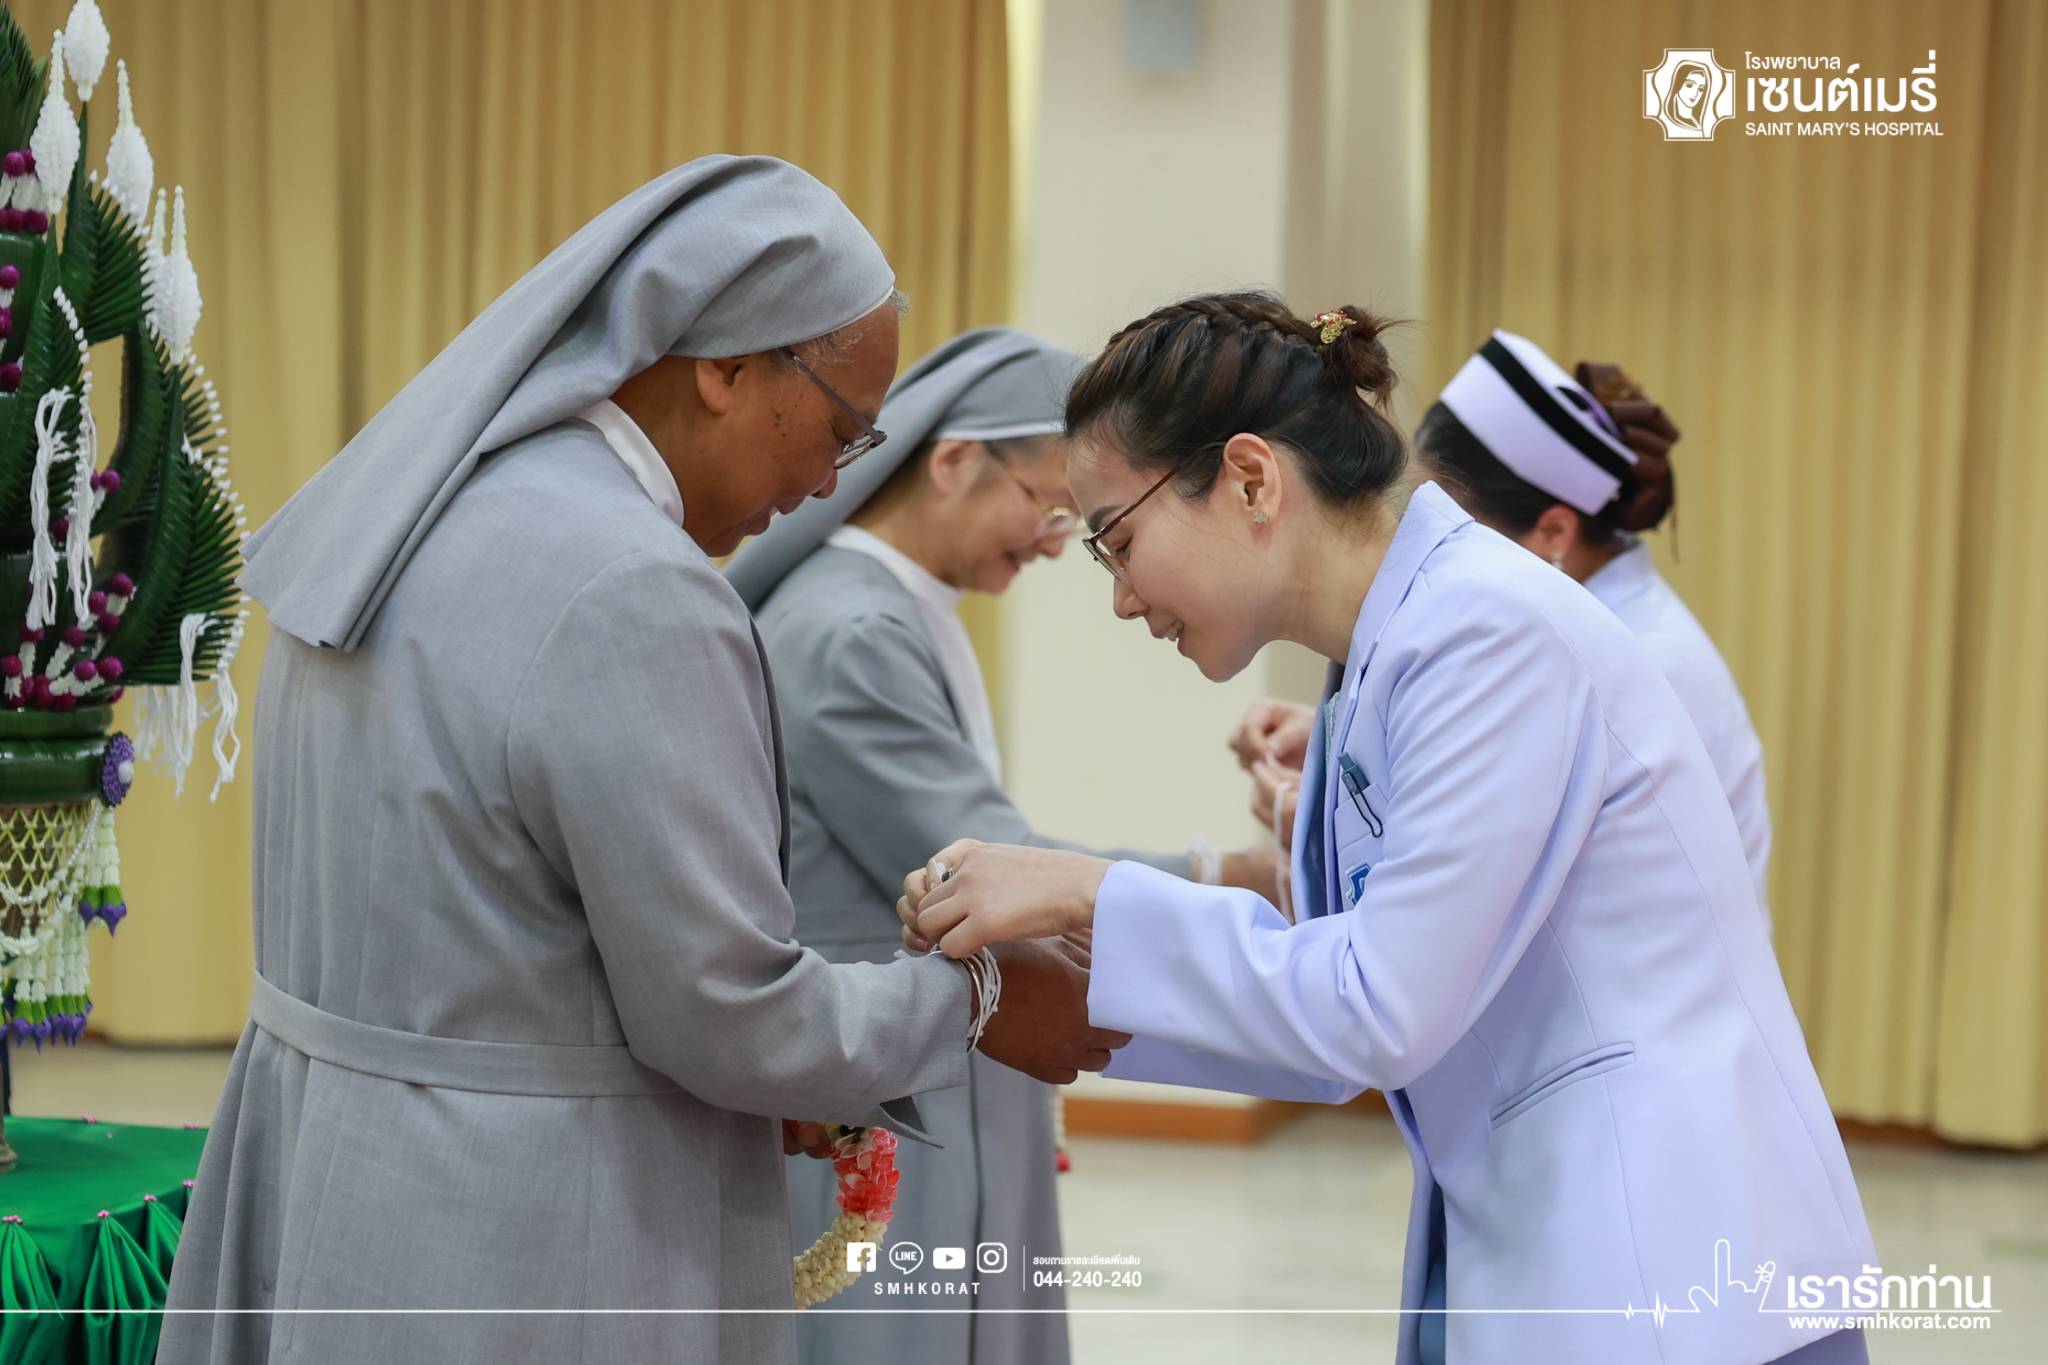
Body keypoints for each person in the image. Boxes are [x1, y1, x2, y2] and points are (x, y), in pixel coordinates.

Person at [160, 157, 1124, 1365]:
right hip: (528, 1230)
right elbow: (729, 1015)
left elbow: (495, 938)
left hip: (343, 1167)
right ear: (727, 367)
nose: (827, 483)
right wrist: (975, 1000)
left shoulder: (404, 514)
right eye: (838, 429)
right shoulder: (633, 588)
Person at [899, 293, 1875, 1365]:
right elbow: (1342, 1015)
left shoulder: (1484, 629)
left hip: (1671, 1264)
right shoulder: (1392, 649)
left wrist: (1088, 892)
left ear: (1252, 479)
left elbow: (1377, 1007)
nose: (1124, 599)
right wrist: (1088, 1002)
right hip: (1582, 1243)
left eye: (1116, 542)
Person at [724, 326, 1273, 1365]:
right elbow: (992, 864)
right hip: (894, 1085)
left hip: (943, 1065)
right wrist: (1226, 876)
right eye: (1049, 509)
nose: (1057, 546)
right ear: (952, 462)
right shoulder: (849, 629)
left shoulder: (897, 608)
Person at [1235, 331, 1775, 937]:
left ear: (1555, 532)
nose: (1419, 550)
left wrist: (1322, 817)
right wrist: (1338, 736)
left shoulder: (1637, 657)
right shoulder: (1573, 624)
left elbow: (1473, 878)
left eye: (1449, 526)